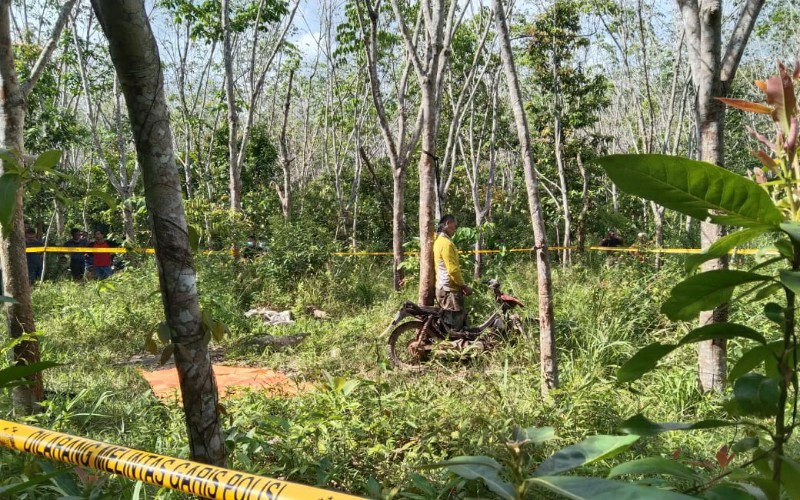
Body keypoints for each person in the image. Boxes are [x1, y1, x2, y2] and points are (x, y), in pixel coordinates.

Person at [433, 215, 472, 331]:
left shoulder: (438, 241)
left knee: (449, 327)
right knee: (455, 329)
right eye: (454, 226)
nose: (455, 229)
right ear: (447, 223)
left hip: (443, 288)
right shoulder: (446, 243)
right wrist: (464, 286)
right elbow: (453, 270)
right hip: (449, 290)